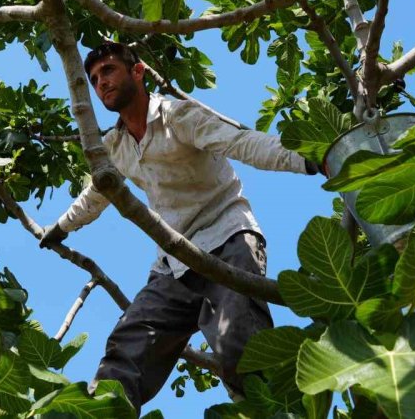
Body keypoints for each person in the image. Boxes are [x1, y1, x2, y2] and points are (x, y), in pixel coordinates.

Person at [39, 42, 320, 413]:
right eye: (93, 79)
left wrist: (310, 158)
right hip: (172, 265)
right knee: (128, 347)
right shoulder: (115, 146)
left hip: (228, 239)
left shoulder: (179, 116)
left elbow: (242, 143)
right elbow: (95, 195)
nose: (100, 82)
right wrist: (60, 227)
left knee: (241, 345)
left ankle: (274, 412)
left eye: (108, 71)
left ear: (137, 72)